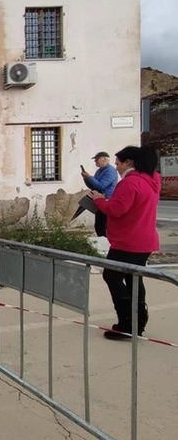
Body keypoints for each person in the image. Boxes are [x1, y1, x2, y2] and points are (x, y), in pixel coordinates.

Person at [89, 146, 160, 340]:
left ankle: (127, 323)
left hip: (128, 241)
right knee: (134, 278)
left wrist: (99, 200)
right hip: (145, 240)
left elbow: (117, 209)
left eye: (118, 163)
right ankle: (139, 320)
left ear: (129, 162)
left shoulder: (131, 183)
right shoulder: (151, 180)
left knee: (111, 276)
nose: (116, 167)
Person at [82, 151, 118, 236]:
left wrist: (89, 177)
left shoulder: (110, 171)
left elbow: (101, 186)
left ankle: (105, 242)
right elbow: (93, 185)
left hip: (107, 200)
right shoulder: (100, 171)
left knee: (103, 224)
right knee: (98, 224)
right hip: (99, 199)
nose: (95, 162)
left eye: (97, 160)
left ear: (104, 159)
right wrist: (86, 178)